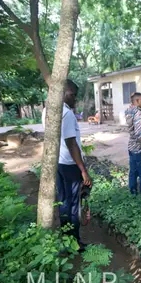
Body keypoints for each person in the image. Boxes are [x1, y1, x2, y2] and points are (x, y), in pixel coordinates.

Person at [56, 79, 92, 253]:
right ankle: (75, 242)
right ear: (62, 93)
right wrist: (83, 170)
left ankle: (66, 238)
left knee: (63, 202)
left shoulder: (49, 110)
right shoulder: (67, 114)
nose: (74, 99)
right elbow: (72, 144)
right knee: (74, 205)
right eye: (72, 95)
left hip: (59, 163)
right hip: (70, 165)